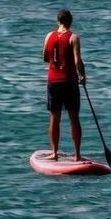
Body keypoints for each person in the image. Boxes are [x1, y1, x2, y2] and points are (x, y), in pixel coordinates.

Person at [41, 9, 86, 161]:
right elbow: (77, 61)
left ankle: (54, 153)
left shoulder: (49, 36)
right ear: (70, 22)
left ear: (58, 21)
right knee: (74, 116)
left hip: (53, 81)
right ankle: (77, 155)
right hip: (69, 82)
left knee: (54, 116)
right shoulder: (73, 38)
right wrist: (82, 76)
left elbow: (45, 57)